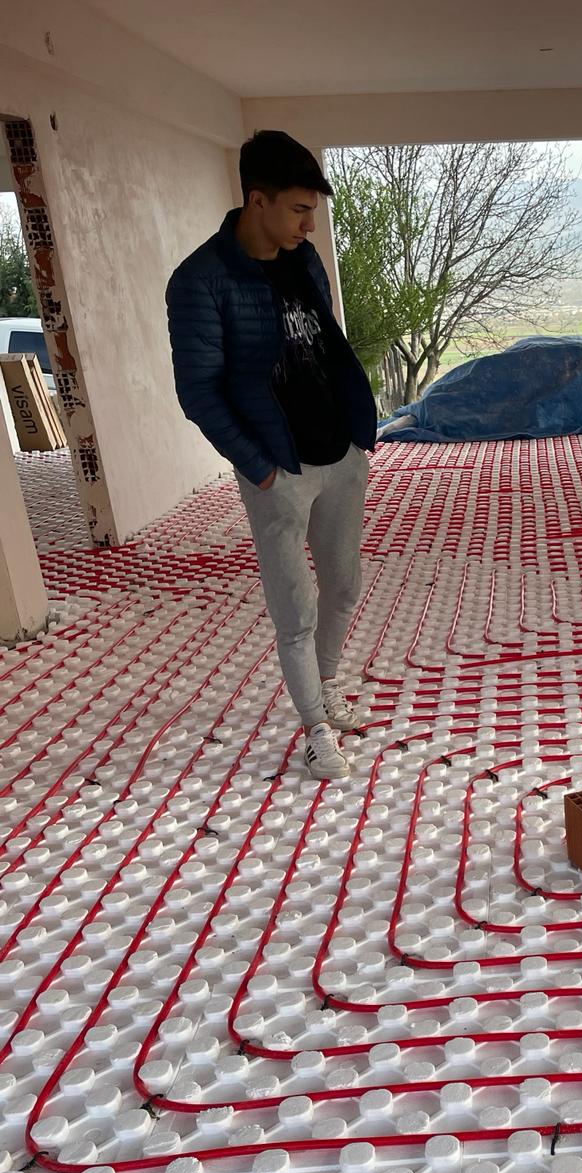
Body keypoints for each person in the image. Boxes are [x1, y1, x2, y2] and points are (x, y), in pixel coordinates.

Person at [166, 130, 378, 780]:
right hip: (277, 469)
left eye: (313, 211)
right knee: (296, 610)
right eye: (298, 210)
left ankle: (327, 688)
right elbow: (199, 392)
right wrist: (259, 469)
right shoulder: (200, 281)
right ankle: (315, 730)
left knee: (343, 586)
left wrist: (357, 438)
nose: (310, 225)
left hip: (340, 454)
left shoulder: (304, 258)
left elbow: (325, 345)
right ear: (257, 200)